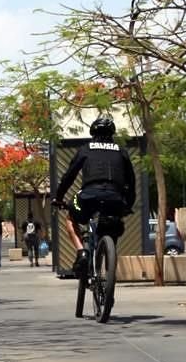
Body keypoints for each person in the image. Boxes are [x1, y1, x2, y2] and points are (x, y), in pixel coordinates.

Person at [53, 115, 136, 271]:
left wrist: (59, 198)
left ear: (93, 134)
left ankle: (81, 252)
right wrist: (127, 205)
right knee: (115, 224)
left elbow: (69, 176)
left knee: (70, 217)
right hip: (115, 199)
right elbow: (131, 182)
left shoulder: (85, 149)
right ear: (112, 134)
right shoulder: (121, 151)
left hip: (88, 197)